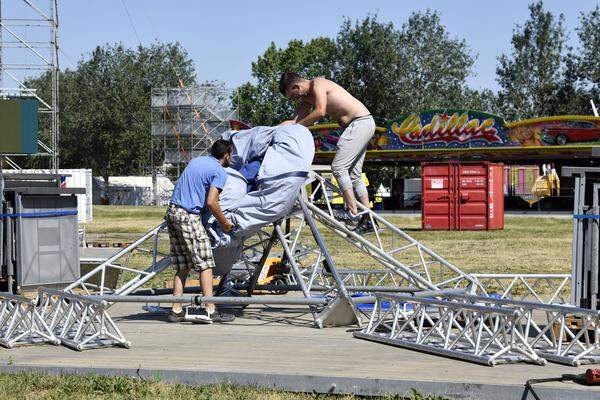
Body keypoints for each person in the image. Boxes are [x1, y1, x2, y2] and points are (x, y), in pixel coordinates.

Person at [278, 72, 377, 234]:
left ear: (296, 87)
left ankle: (352, 212)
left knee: (338, 167)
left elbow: (320, 112)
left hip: (360, 122)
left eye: (293, 96)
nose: (295, 100)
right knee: (354, 174)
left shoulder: (318, 83)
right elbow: (293, 121)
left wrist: (297, 127)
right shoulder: (306, 99)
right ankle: (369, 219)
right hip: (361, 124)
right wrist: (272, 131)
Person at [166, 139, 236, 323]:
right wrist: (224, 223)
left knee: (183, 264)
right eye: (231, 155)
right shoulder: (219, 171)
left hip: (172, 212)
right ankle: (210, 309)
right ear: (227, 154)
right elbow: (212, 202)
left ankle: (176, 309)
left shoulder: (196, 161)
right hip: (188, 216)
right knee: (205, 262)